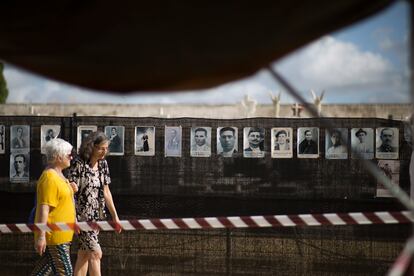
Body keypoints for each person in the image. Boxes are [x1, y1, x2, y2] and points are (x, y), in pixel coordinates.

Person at [67, 131, 121, 276]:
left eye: (106, 148)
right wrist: (73, 218)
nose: (105, 152)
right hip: (81, 218)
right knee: (96, 253)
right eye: (101, 148)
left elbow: (106, 192)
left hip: (97, 217)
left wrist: (115, 217)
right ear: (91, 147)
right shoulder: (78, 164)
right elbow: (70, 193)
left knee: (84, 255)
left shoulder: (103, 164)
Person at [31, 138, 76, 275]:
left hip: (62, 234)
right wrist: (41, 236)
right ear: (58, 157)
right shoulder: (50, 178)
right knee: (65, 272)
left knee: (44, 270)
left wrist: (71, 189)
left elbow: (61, 199)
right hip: (55, 235)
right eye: (69, 155)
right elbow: (44, 209)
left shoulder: (59, 176)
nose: (71, 157)